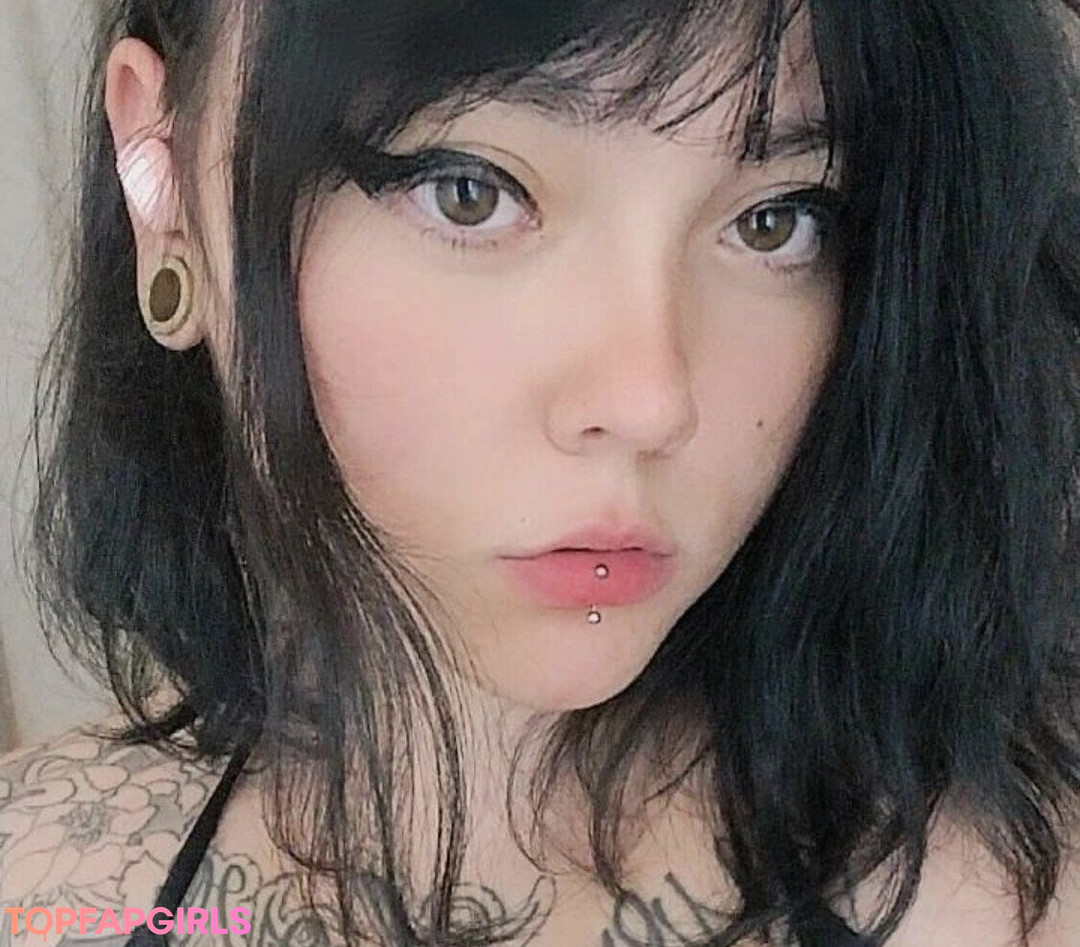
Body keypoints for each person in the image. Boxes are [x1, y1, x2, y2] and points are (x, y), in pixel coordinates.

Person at [1, 0, 1079, 944]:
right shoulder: (42, 887)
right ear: (162, 178)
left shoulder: (1027, 892)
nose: (652, 400)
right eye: (467, 192)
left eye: (776, 219)